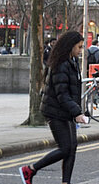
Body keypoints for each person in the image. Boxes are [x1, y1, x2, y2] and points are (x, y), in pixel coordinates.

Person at [19, 31, 87, 184]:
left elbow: (72, 90)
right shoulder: (61, 64)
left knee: (72, 148)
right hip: (54, 111)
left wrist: (77, 111)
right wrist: (77, 112)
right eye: (79, 47)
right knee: (65, 148)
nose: (80, 51)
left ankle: (65, 182)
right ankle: (30, 170)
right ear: (70, 46)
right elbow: (62, 94)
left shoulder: (72, 61)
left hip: (65, 111)